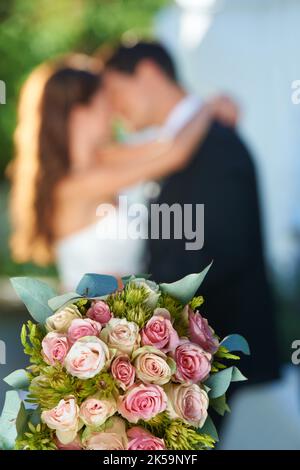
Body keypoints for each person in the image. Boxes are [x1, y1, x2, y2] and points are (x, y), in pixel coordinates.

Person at [104, 41, 280, 386]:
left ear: (148, 72)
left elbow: (215, 247)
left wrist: (139, 302)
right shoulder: (181, 144)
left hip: (212, 352)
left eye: (114, 92)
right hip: (184, 354)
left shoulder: (215, 144)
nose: (113, 108)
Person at [10, 56, 236, 290]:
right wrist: (207, 108)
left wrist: (200, 113)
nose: (115, 112)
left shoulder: (105, 160)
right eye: (106, 103)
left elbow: (168, 143)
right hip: (93, 321)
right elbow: (175, 155)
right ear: (80, 113)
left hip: (128, 318)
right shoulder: (74, 185)